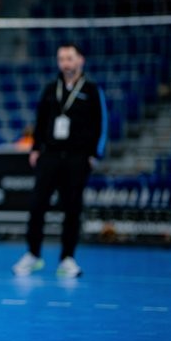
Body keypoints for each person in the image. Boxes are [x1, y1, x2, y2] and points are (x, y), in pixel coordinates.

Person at [12, 43, 107, 278]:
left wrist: (95, 154)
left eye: (70, 58)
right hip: (50, 156)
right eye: (62, 59)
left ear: (80, 60)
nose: (66, 63)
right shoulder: (49, 89)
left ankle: (67, 258)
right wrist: (36, 149)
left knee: (72, 209)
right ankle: (33, 254)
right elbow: (40, 120)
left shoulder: (92, 91)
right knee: (37, 206)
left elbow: (101, 124)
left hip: (77, 158)